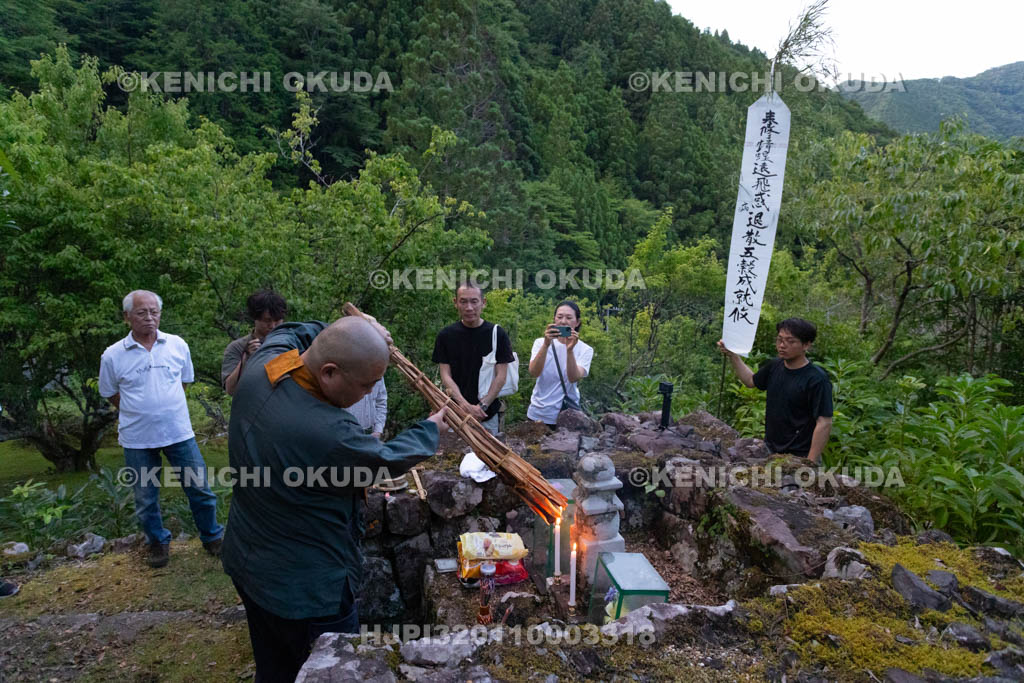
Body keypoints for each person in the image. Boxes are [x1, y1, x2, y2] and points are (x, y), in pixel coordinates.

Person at [221, 316, 447, 682]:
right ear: (328, 373)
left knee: (275, 665)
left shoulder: (266, 365)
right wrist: (430, 430)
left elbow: (290, 330)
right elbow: (385, 460)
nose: (368, 394)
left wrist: (358, 328)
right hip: (307, 587)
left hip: (249, 561)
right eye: (366, 386)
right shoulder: (327, 432)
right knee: (334, 668)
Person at [99, 290, 225, 568]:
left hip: (178, 432)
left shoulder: (177, 345)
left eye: (154, 312)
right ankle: (157, 542)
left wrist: (162, 407)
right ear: (127, 317)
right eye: (142, 312)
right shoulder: (112, 355)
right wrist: (141, 409)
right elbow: (110, 393)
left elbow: (183, 382)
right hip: (137, 438)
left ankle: (212, 536)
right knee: (145, 498)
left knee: (200, 489)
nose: (149, 317)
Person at [717, 317, 833, 464]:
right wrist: (733, 355)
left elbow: (824, 422)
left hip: (800, 456)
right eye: (779, 340)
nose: (782, 345)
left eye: (790, 341)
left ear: (806, 345)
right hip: (770, 451)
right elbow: (751, 381)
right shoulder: (775, 366)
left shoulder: (817, 379)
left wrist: (809, 463)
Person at [432, 282, 514, 435]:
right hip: (455, 414)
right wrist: (464, 406)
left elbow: (501, 375)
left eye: (474, 301)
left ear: (483, 303)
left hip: (487, 415)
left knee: (488, 458)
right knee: (454, 457)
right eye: (463, 301)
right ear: (455, 303)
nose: (469, 307)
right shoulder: (446, 336)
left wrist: (481, 407)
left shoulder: (497, 334)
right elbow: (445, 375)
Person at [527, 301, 594, 427]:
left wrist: (569, 350)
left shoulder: (585, 349)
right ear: (554, 319)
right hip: (538, 413)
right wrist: (546, 344)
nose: (563, 321)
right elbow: (534, 372)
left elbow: (573, 377)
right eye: (559, 317)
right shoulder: (540, 343)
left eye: (569, 318)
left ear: (577, 322)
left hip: (567, 415)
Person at [222, 290, 288, 396]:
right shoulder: (237, 347)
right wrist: (246, 358)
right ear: (255, 318)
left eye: (277, 320)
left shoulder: (291, 342)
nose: (272, 326)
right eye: (267, 320)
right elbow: (230, 390)